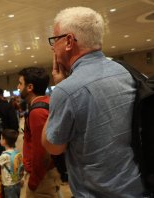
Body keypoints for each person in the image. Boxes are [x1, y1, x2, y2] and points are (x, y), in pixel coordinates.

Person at [41, 7, 144, 197]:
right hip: (138, 186)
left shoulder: (67, 90)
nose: (53, 47)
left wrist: (59, 88)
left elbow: (53, 146)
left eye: (55, 40)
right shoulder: (130, 73)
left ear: (69, 41)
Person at [18, 67, 61, 197]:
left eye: (20, 83)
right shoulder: (48, 102)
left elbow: (42, 151)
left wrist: (33, 182)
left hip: (42, 179)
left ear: (30, 87)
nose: (18, 87)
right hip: (48, 174)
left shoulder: (37, 112)